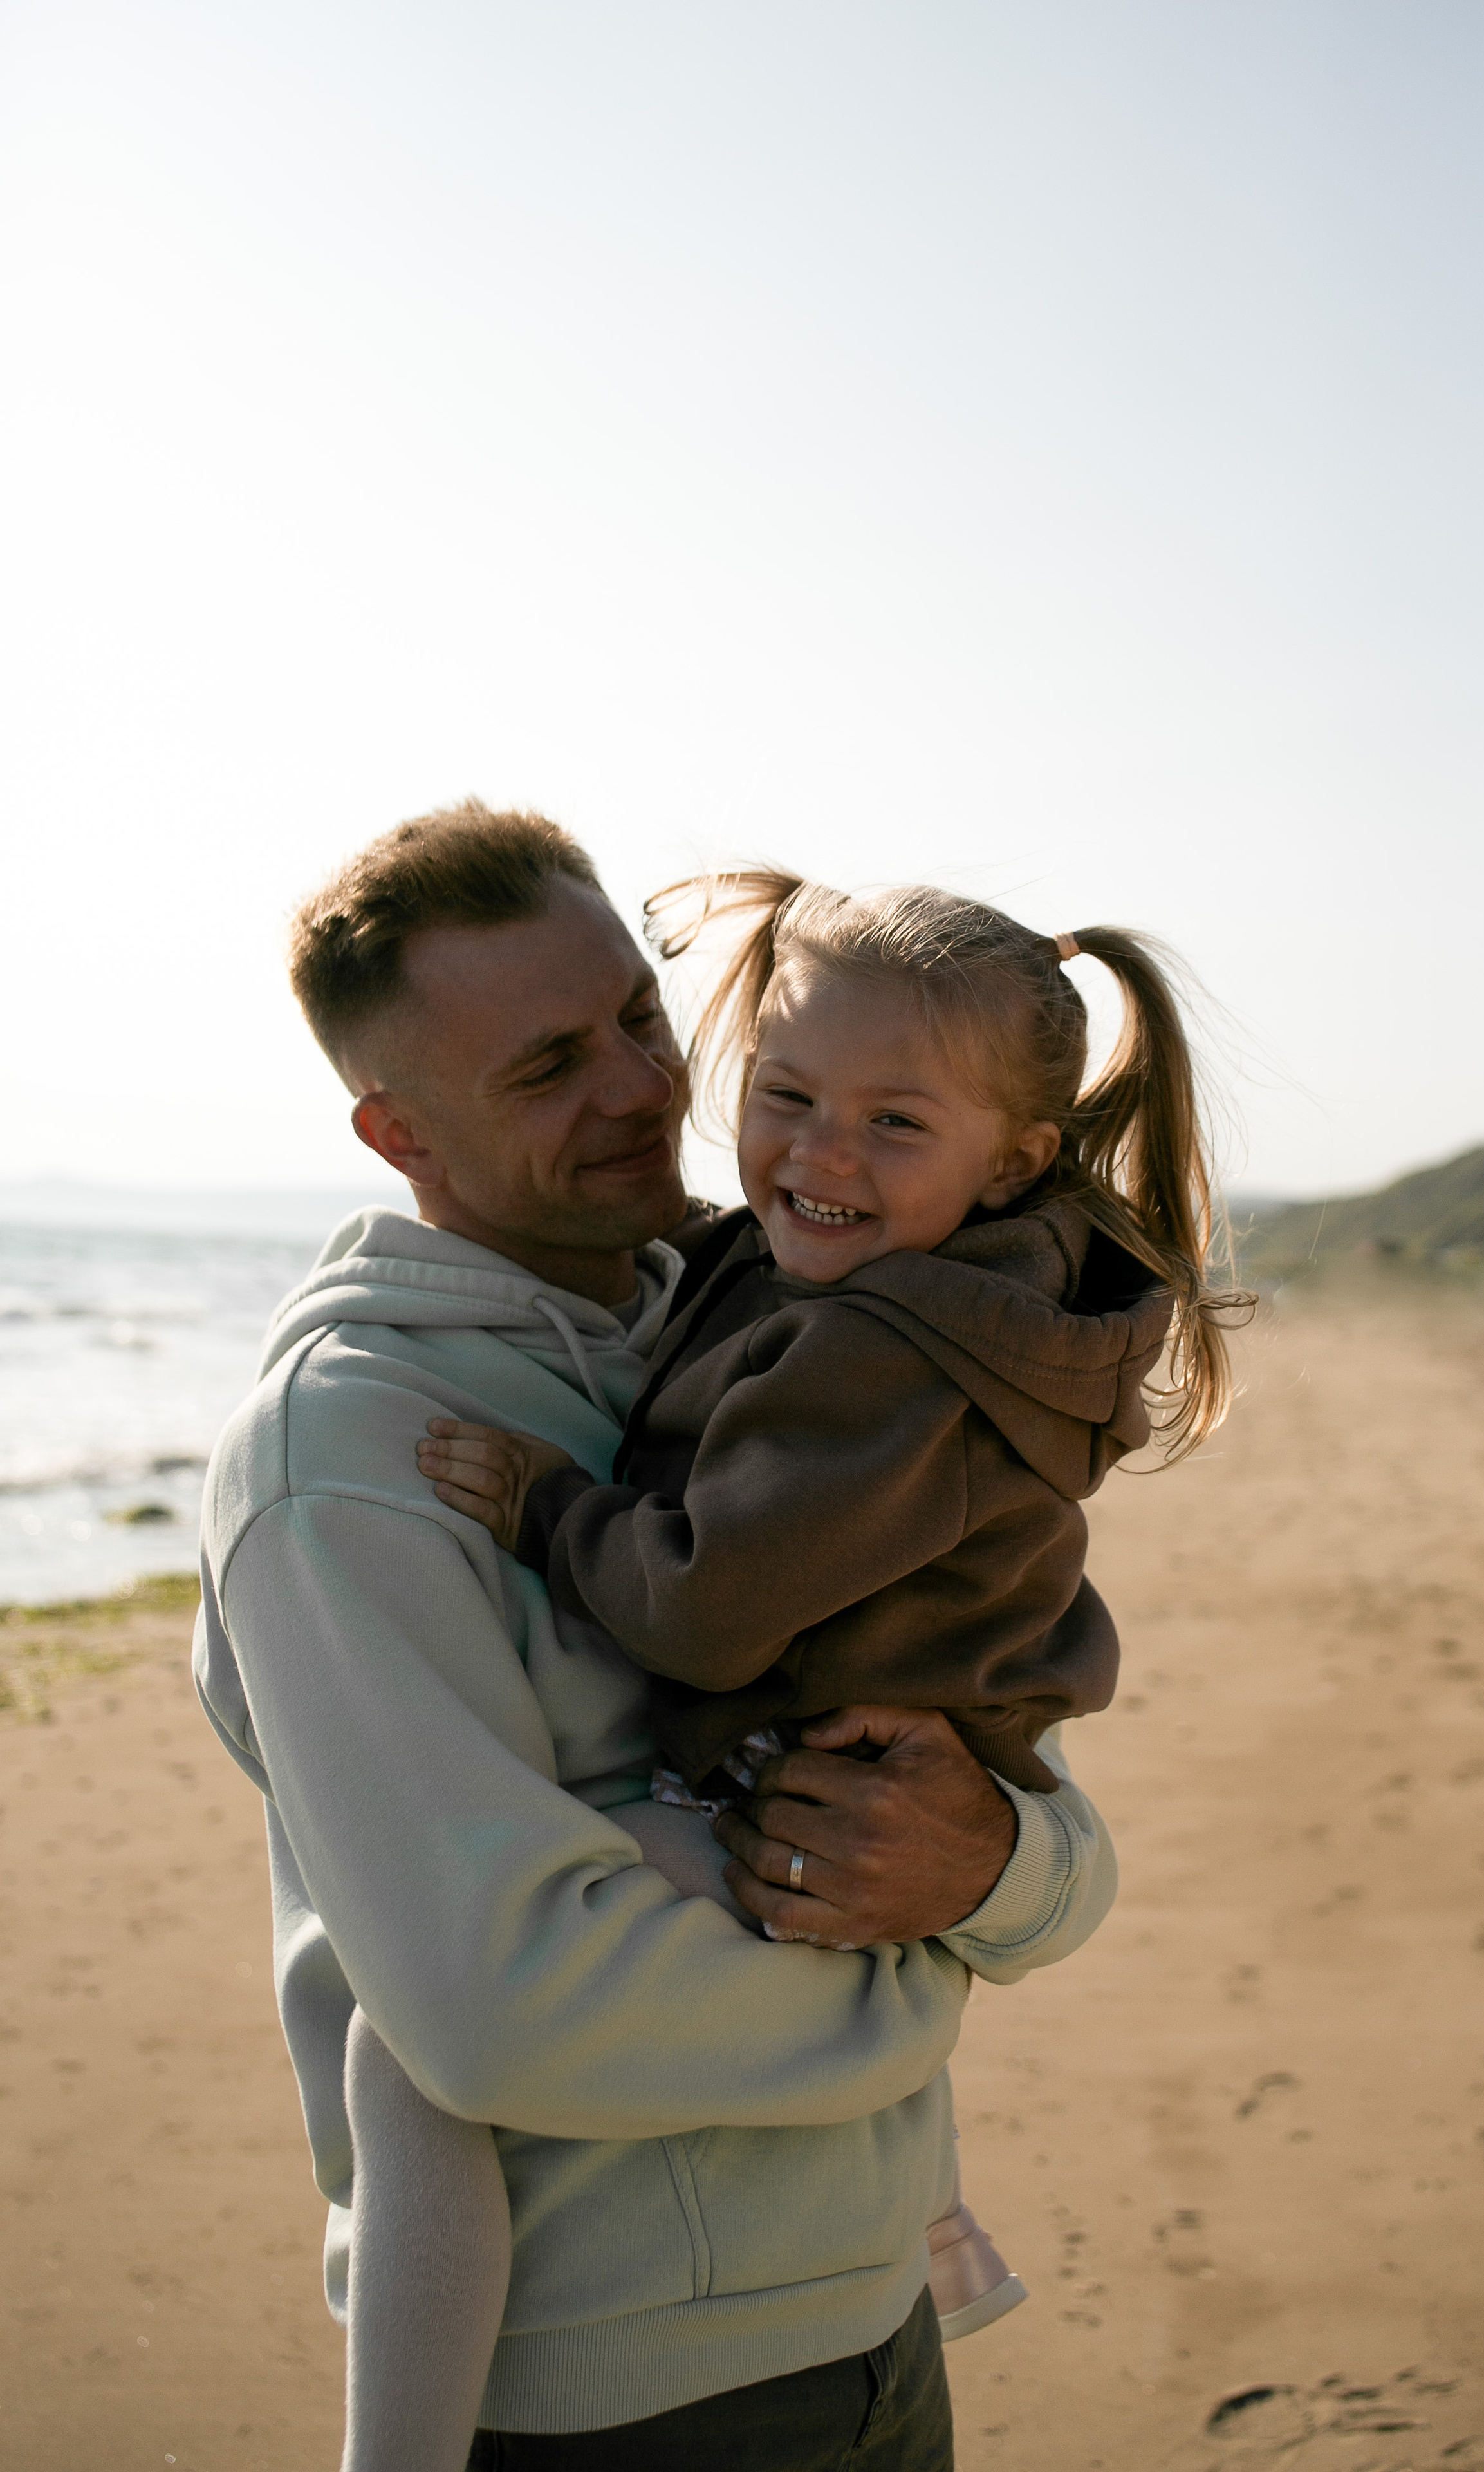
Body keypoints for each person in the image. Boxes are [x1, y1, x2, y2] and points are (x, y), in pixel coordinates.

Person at [193, 804, 1127, 2472]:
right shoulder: (347, 1461)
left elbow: (998, 1758)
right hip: (641, 2402)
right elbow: (490, 2014)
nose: (637, 1089)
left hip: (872, 2325)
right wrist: (913, 2001)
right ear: (396, 1130)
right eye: (547, 1066)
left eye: (636, 1018)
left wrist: (994, 1871)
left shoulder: (775, 1328)